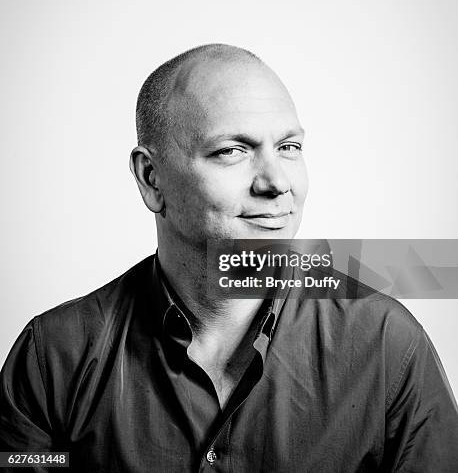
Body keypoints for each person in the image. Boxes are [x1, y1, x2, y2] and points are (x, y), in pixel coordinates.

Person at [0, 44, 457, 472]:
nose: (277, 183)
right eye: (232, 151)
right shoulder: (53, 359)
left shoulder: (387, 344)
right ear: (151, 178)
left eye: (289, 147)